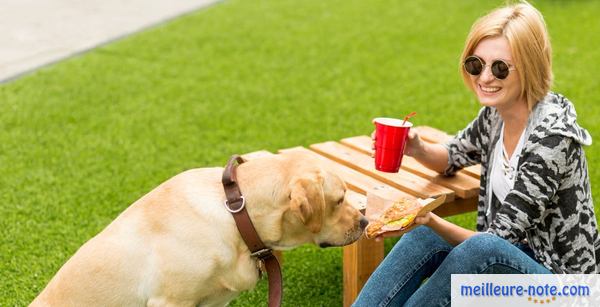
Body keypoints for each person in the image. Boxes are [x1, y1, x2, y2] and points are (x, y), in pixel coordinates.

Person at [354, 2, 599, 306]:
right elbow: (453, 155)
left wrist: (429, 219)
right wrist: (415, 147)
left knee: (473, 247)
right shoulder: (495, 116)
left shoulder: (552, 140)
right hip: (513, 266)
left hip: (568, 291)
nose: (484, 77)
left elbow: (495, 242)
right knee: (424, 238)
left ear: (531, 66)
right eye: (475, 64)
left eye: (500, 67)